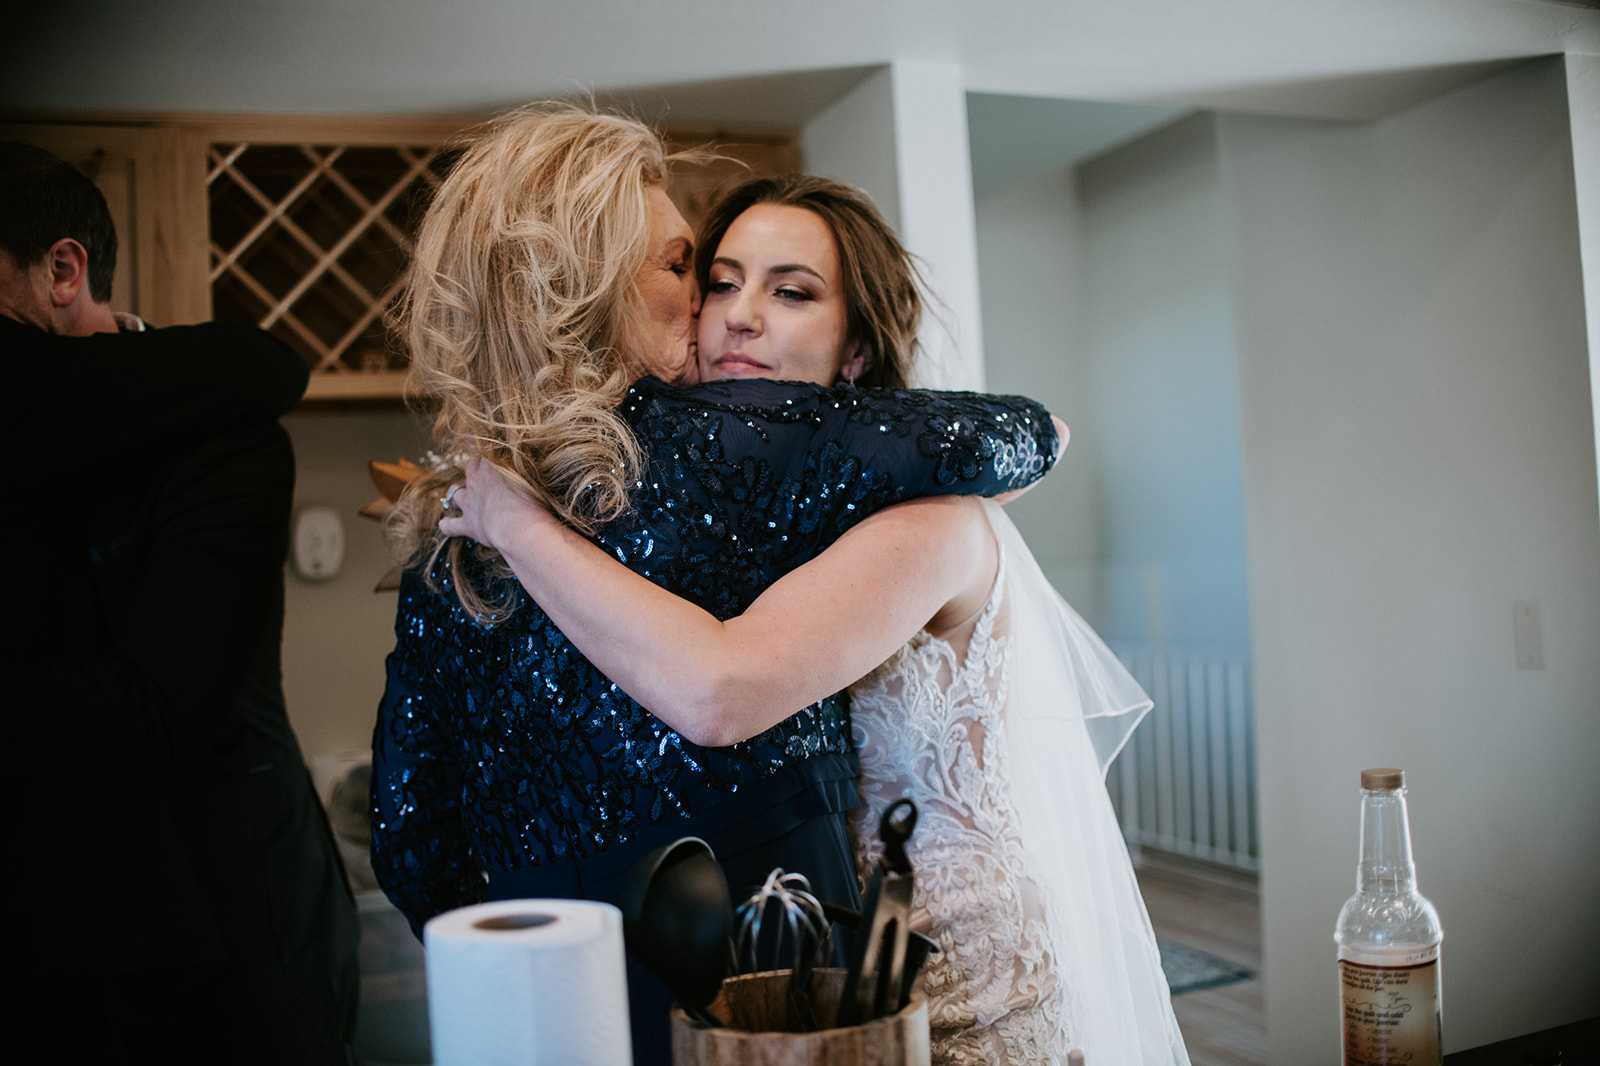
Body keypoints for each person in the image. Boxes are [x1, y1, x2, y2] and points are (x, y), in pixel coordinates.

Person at [439, 173, 1190, 1065]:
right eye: (720, 282)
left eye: (790, 292)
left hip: (960, 984)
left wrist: (513, 524)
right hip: (836, 961)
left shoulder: (928, 522)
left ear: (857, 359)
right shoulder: (749, 517)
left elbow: (721, 689)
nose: (739, 316)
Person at [2, 140, 360, 1064]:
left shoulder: (221, 442)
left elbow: (156, 716)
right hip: (60, 936)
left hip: (235, 926)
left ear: (61, 272)